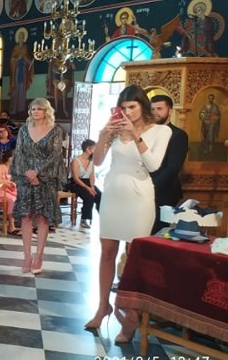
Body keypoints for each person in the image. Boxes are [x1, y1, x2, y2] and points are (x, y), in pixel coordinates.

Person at [87, 85, 171, 342]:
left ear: (143, 106)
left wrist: (135, 135)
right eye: (123, 108)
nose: (128, 112)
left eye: (132, 107)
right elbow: (97, 162)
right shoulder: (115, 130)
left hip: (139, 198)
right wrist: (103, 134)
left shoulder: (161, 131)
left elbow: (154, 165)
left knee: (134, 257)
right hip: (113, 194)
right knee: (107, 252)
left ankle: (130, 317)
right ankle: (103, 306)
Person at [11, 98, 66, 274]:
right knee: (26, 216)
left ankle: (39, 256)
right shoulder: (23, 130)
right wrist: (28, 173)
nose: (35, 112)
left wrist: (37, 172)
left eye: (39, 109)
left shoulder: (56, 130)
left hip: (46, 178)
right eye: (33, 109)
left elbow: (55, 155)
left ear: (46, 111)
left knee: (43, 218)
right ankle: (27, 256)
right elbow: (19, 153)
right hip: (25, 177)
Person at [150, 94, 188, 233]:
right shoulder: (146, 133)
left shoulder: (178, 135)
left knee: (156, 234)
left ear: (170, 111)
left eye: (160, 109)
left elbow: (173, 168)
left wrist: (150, 187)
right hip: (142, 190)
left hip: (164, 192)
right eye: (152, 109)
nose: (155, 112)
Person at [68, 139, 101, 229]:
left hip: (87, 182)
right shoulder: (76, 160)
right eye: (94, 148)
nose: (95, 150)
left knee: (99, 195)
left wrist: (92, 187)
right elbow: (76, 178)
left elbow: (92, 176)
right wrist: (88, 188)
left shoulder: (92, 161)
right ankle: (84, 219)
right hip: (76, 183)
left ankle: (102, 215)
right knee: (89, 196)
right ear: (87, 149)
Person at [0, 150, 19, 235]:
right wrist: (9, 182)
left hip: (8, 190)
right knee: (12, 200)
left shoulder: (13, 168)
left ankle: (23, 223)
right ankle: (11, 226)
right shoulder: (0, 167)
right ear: (10, 158)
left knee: (22, 197)